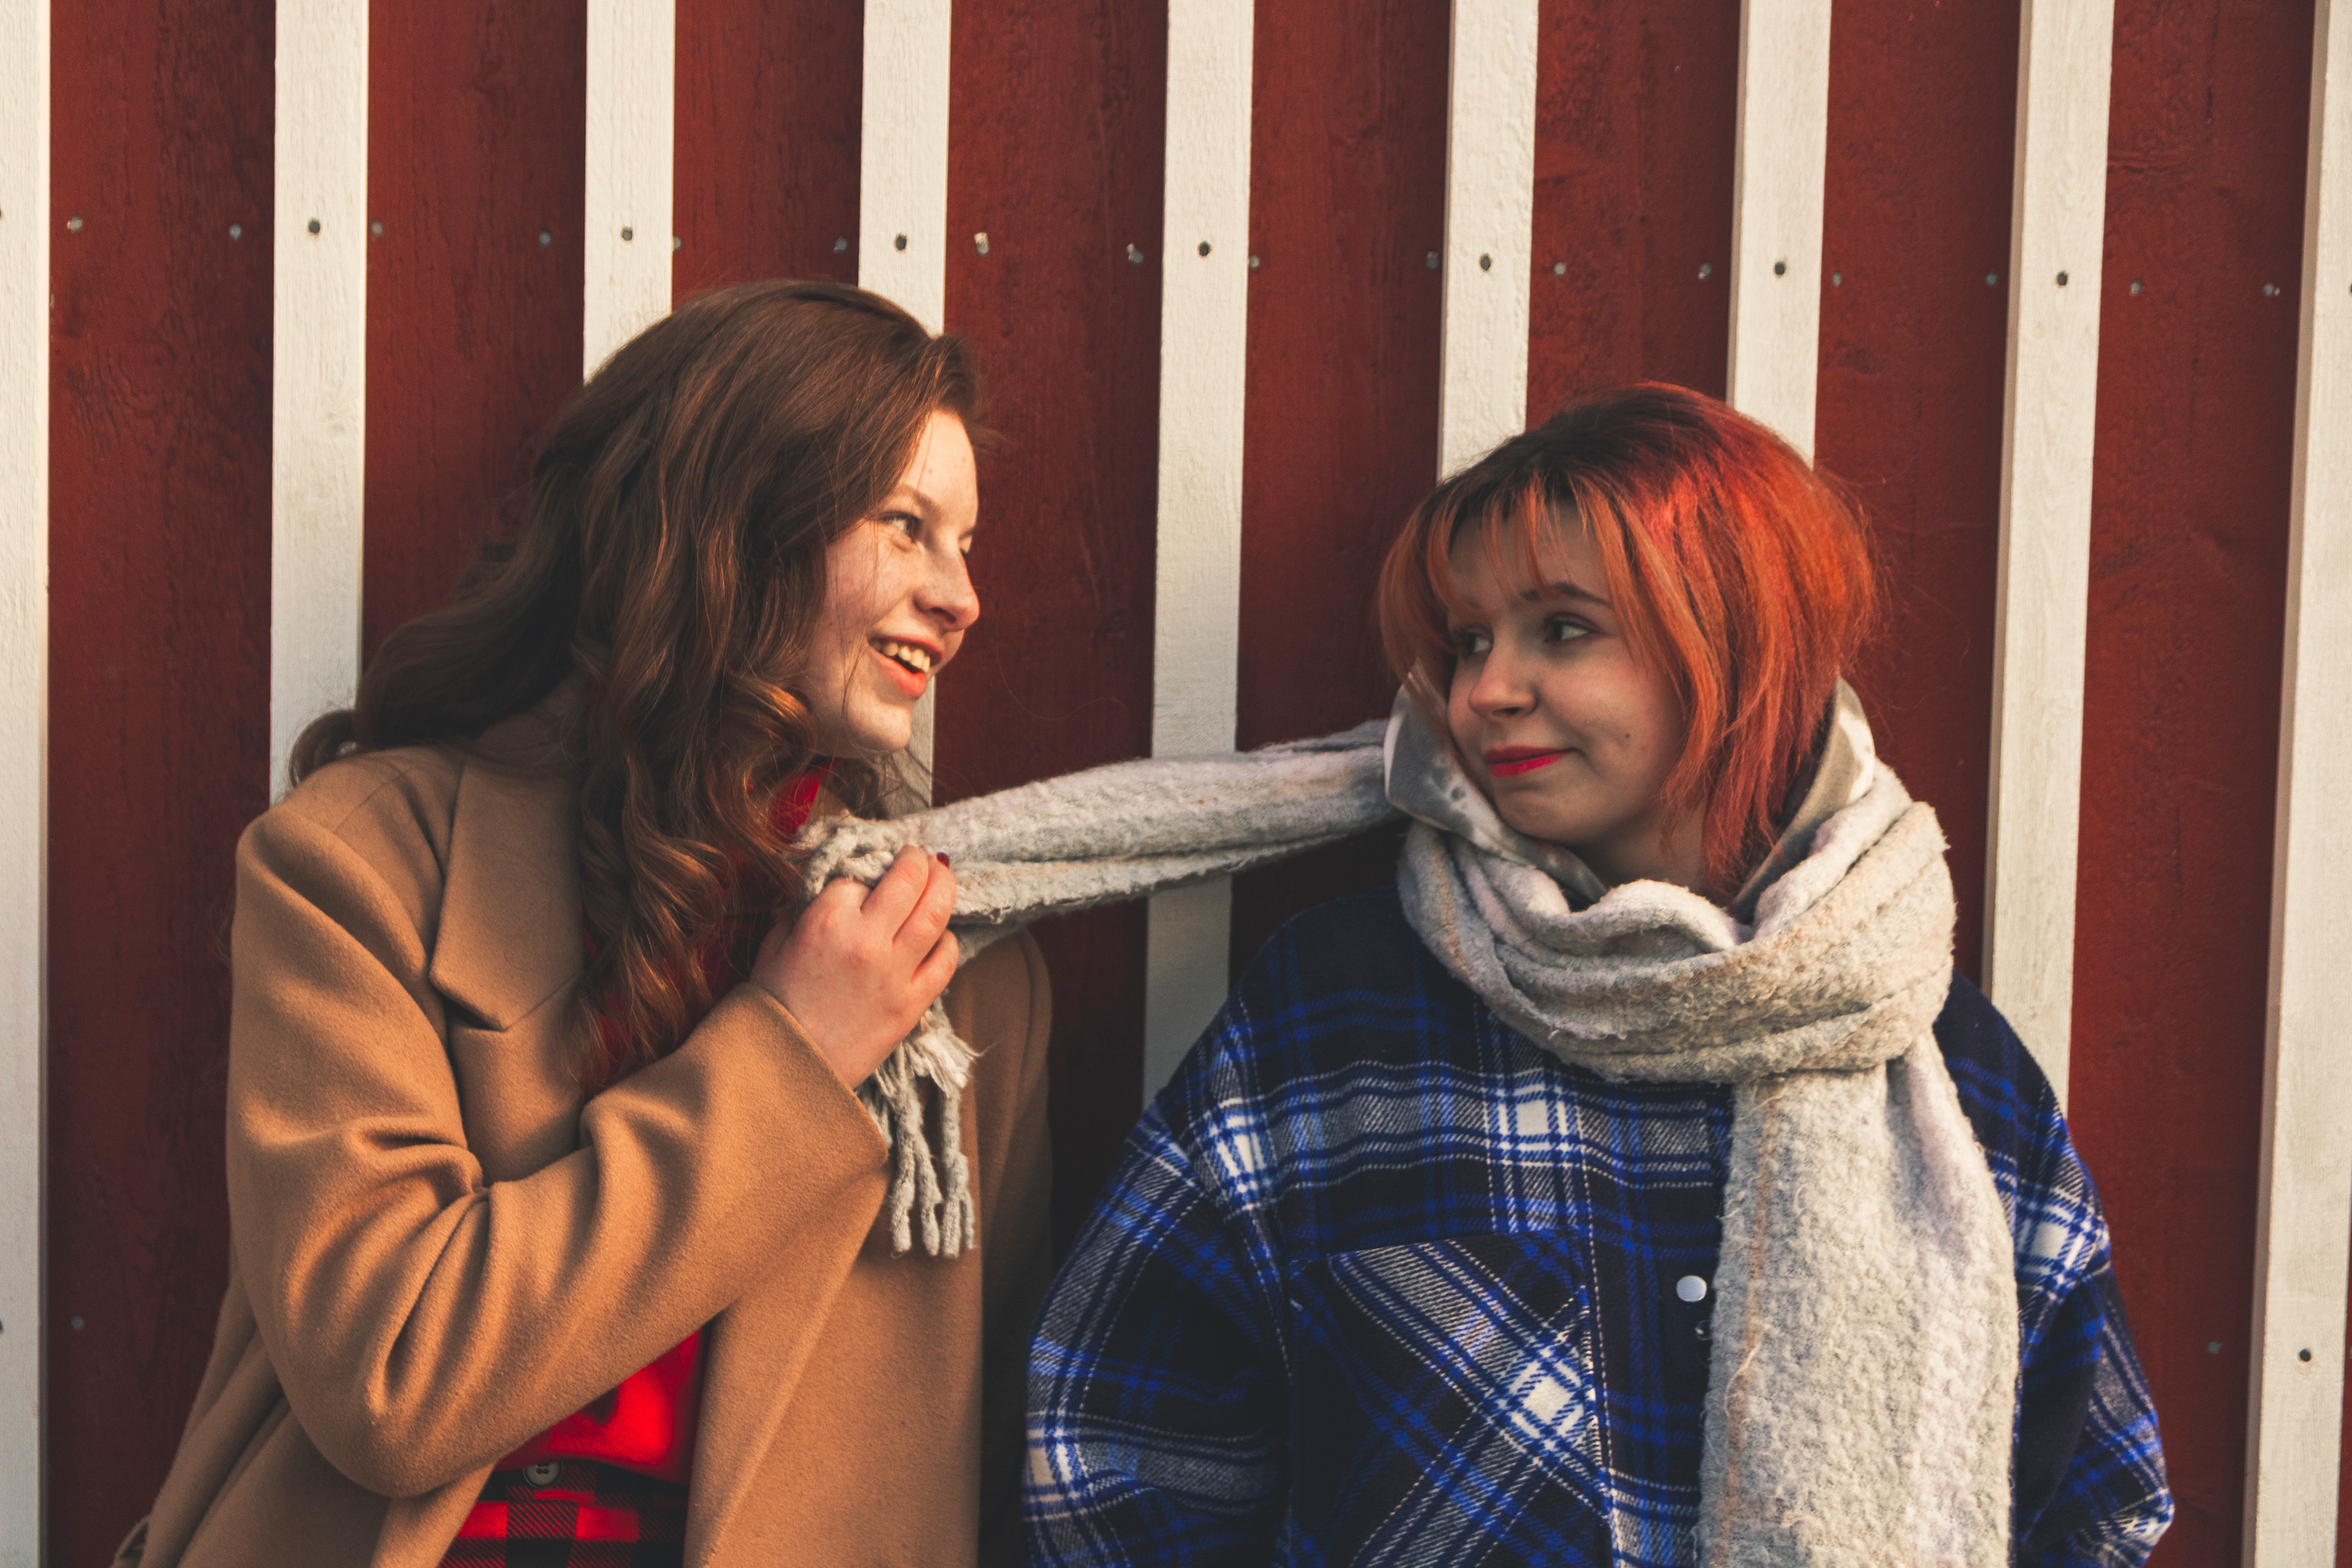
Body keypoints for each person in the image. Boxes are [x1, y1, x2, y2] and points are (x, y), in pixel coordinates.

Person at [1024, 384, 2172, 1566]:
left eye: (1561, 628)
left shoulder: (1931, 1056)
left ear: (1732, 642)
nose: (1484, 691)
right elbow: (1117, 1440)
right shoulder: (1341, 1014)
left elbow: (2093, 1495)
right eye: (1469, 640)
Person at [116, 280, 1053, 1568]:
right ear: (737, 518)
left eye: (966, 542)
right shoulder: (359, 864)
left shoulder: (960, 965)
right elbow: (394, 1372)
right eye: (907, 525)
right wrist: (788, 1054)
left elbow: (1001, 1445)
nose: (962, 599)